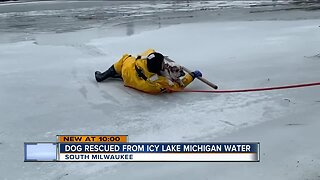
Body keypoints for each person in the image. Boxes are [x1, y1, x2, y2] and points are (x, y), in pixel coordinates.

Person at [95, 49, 202, 94]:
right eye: (162, 64)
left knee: (124, 59)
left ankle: (103, 76)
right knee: (136, 79)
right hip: (129, 82)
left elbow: (151, 52)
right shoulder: (156, 82)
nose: (165, 65)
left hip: (127, 69)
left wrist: (158, 57)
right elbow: (177, 87)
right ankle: (118, 76)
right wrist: (191, 76)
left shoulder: (142, 59)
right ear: (157, 69)